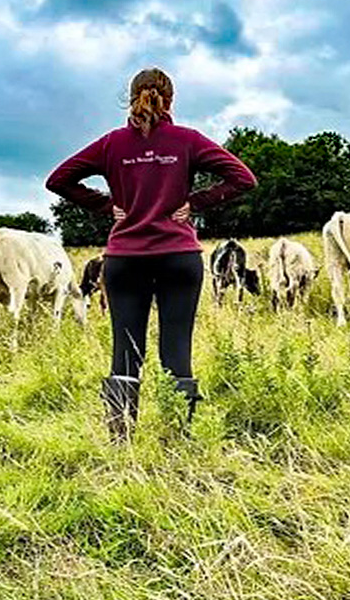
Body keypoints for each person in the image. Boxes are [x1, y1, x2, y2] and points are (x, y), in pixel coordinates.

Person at [45, 67, 257, 441]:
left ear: (131, 98)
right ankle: (177, 439)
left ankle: (121, 442)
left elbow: (58, 179)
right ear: (171, 100)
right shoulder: (187, 140)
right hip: (179, 257)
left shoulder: (112, 144)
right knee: (176, 349)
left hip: (125, 259)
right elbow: (243, 178)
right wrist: (196, 203)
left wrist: (105, 206)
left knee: (125, 350)